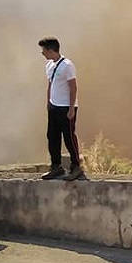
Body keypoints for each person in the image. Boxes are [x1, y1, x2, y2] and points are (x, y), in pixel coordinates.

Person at [39, 37, 85, 181]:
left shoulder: (67, 65)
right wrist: (48, 103)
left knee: (69, 137)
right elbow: (50, 85)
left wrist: (71, 108)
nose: (42, 53)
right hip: (54, 106)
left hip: (66, 107)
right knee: (52, 136)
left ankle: (76, 166)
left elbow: (73, 87)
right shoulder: (49, 65)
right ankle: (56, 166)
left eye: (43, 50)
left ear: (51, 50)